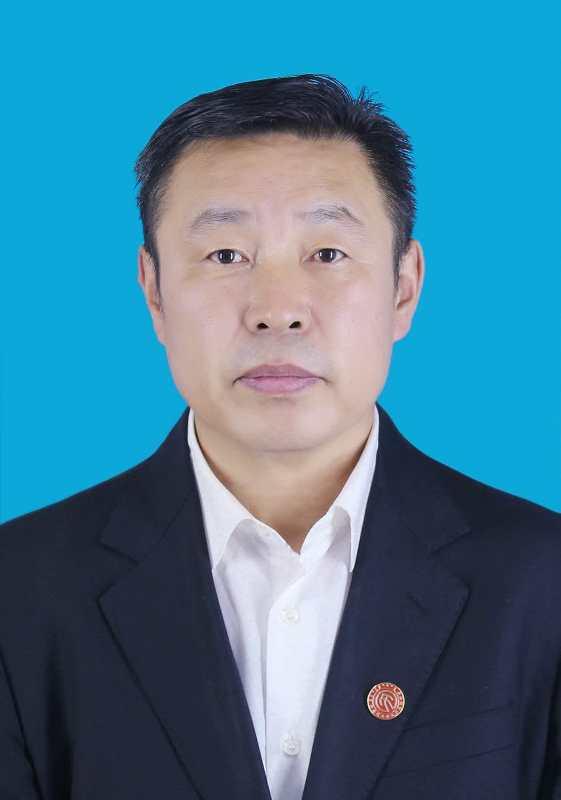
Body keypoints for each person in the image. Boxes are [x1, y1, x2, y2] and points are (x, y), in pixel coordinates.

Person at [1, 73, 560, 800]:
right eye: (225, 255)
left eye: (326, 254)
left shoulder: (541, 581)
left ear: (403, 287)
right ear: (154, 291)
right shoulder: (20, 590)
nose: (277, 310)